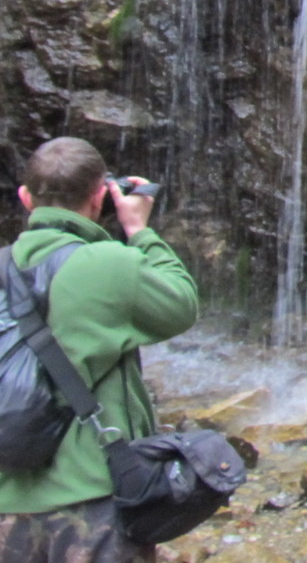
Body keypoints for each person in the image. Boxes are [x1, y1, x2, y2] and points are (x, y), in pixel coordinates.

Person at [0, 138, 198, 563]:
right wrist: (139, 230)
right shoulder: (109, 263)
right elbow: (181, 304)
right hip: (91, 500)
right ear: (98, 196)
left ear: (25, 198)